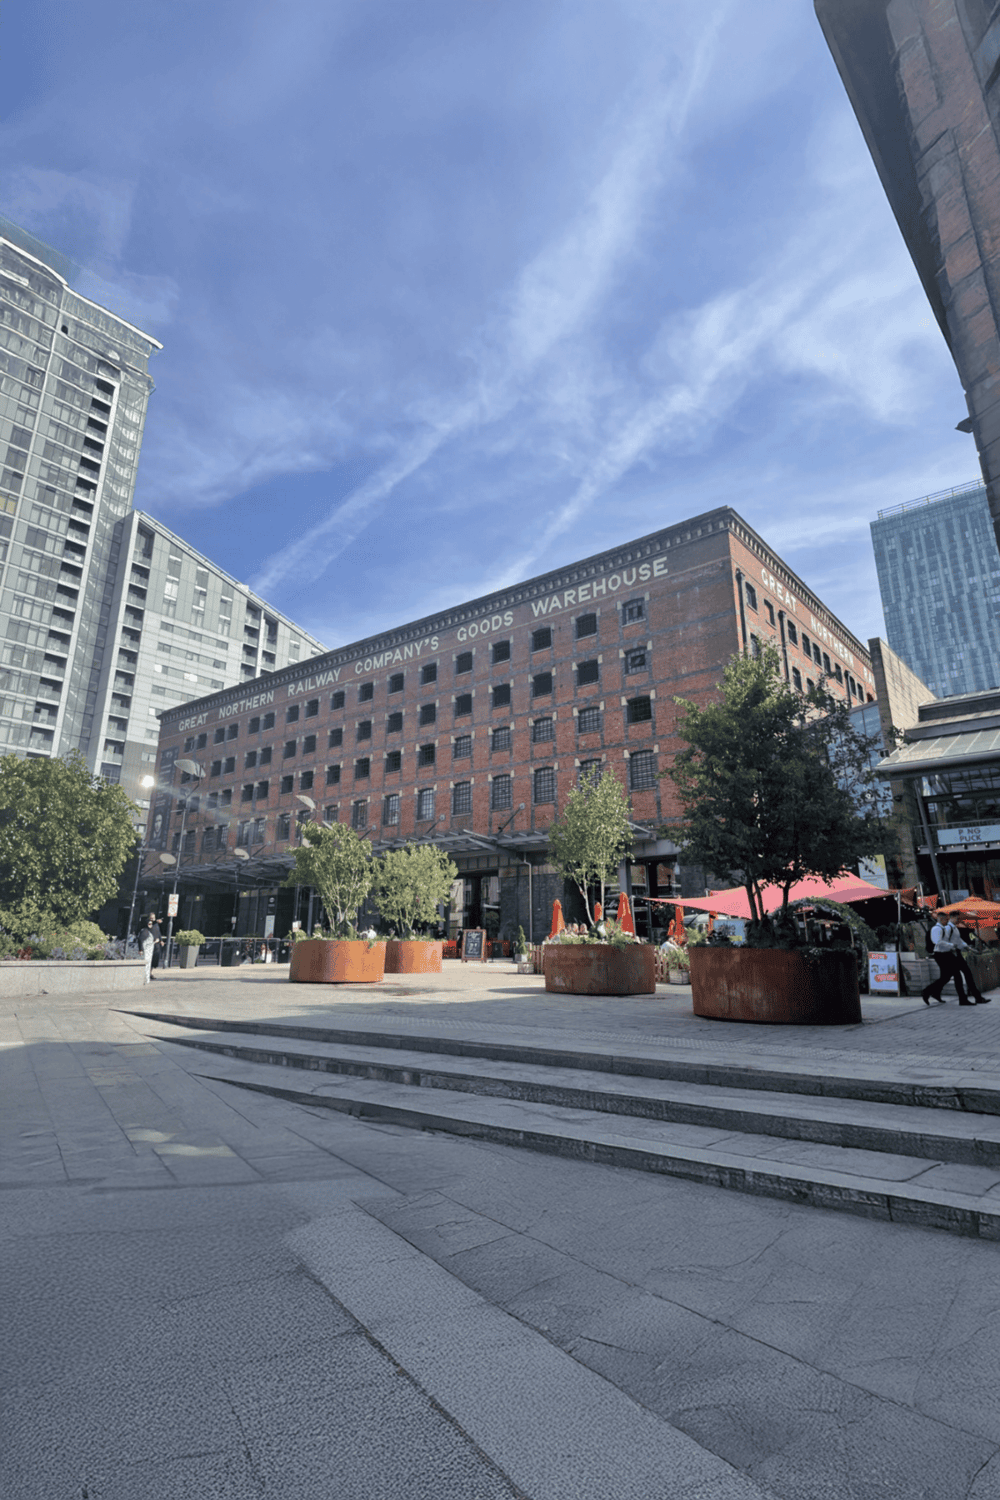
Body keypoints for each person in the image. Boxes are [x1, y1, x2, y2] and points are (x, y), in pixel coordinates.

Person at [922, 917, 990, 1005]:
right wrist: (952, 947)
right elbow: (941, 942)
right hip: (948, 954)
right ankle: (967, 998)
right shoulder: (947, 928)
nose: (960, 920)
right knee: (958, 976)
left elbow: (958, 940)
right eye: (958, 918)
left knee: (948, 976)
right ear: (951, 918)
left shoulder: (953, 928)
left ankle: (933, 992)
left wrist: (968, 948)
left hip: (952, 953)